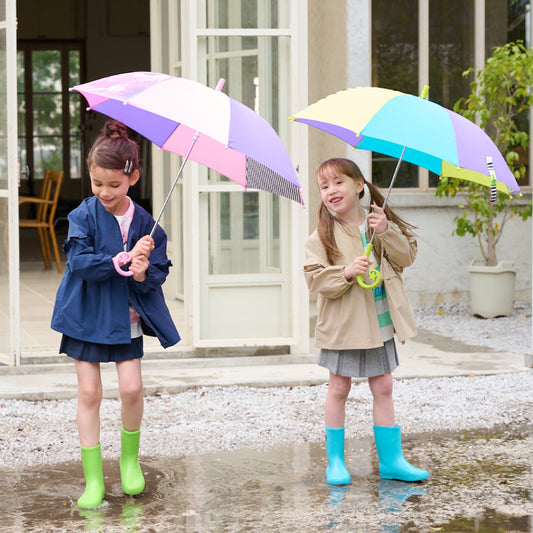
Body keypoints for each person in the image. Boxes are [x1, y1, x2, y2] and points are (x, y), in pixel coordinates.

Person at [52, 120, 180, 508]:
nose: (105, 193)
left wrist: (142, 269)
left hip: (125, 319)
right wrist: (119, 258)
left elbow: (155, 274)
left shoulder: (147, 224)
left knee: (131, 388)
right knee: (89, 392)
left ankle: (129, 460)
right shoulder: (83, 215)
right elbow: (79, 261)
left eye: (114, 185)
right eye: (97, 184)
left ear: (133, 177)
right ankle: (93, 479)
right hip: (87, 313)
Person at [304, 157, 429, 485]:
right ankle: (335, 461)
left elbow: (407, 258)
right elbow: (314, 279)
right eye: (324, 186)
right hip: (344, 325)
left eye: (338, 182)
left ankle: (391, 460)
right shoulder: (323, 234)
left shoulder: (378, 223)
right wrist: (345, 272)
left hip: (379, 321)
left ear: (359, 185)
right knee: (339, 387)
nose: (331, 191)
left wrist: (386, 232)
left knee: (384, 386)